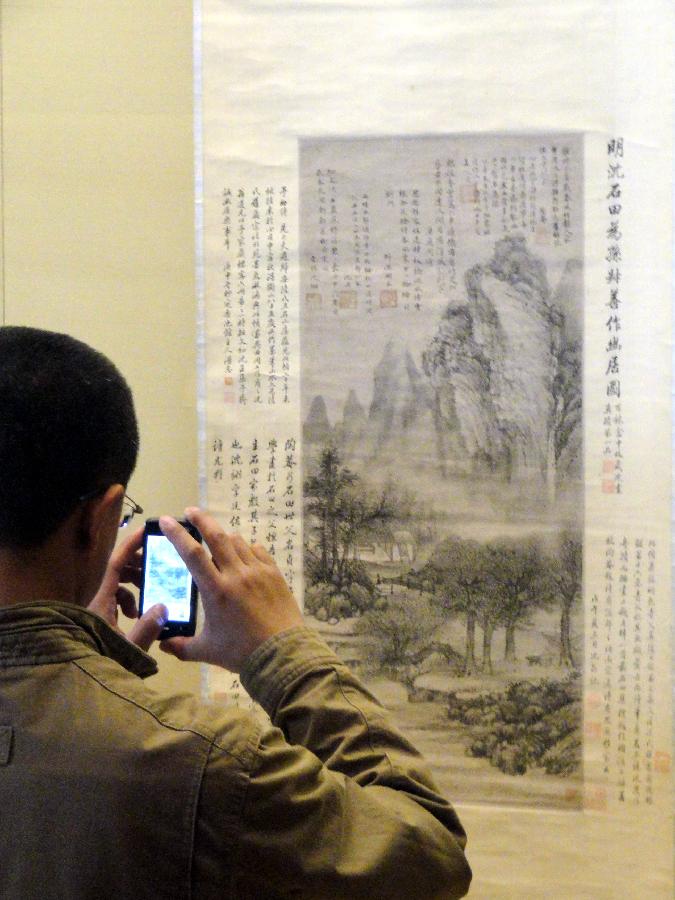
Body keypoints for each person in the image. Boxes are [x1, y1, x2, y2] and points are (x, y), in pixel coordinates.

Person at [0, 326, 472, 899]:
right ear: (99, 520)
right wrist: (285, 652)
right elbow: (429, 860)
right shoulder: (198, 761)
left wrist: (87, 664)